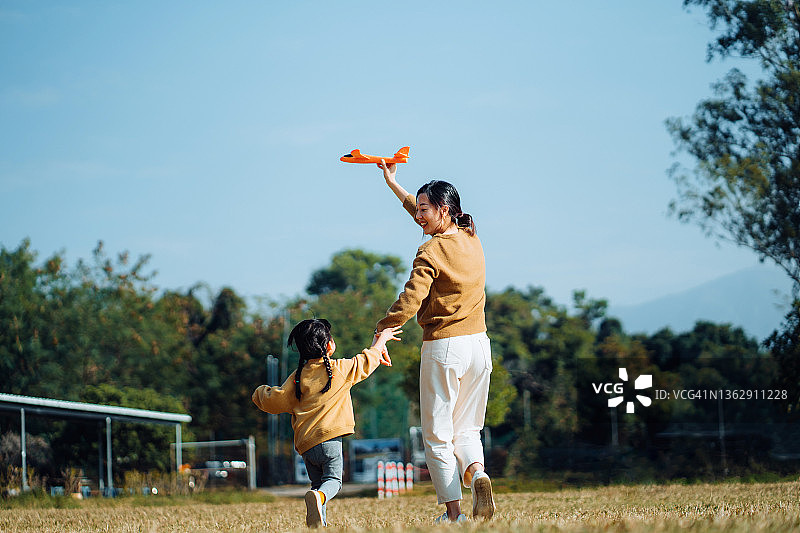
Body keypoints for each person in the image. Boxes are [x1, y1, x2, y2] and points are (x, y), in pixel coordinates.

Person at [374, 160, 496, 523]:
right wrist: (393, 184)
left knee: (438, 435)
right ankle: (477, 475)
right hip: (479, 347)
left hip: (445, 348)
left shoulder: (430, 252)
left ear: (444, 210)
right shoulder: (471, 237)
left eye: (425, 210)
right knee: (468, 429)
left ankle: (454, 513)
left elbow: (411, 299)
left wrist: (383, 328)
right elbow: (419, 208)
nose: (419, 216)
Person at [252, 318, 401, 528]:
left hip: (306, 446)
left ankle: (318, 522)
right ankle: (321, 498)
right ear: (329, 345)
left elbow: (274, 401)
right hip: (330, 442)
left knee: (317, 485)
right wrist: (382, 339)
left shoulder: (297, 378)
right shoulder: (340, 369)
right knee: (333, 481)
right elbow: (367, 360)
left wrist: (259, 393)